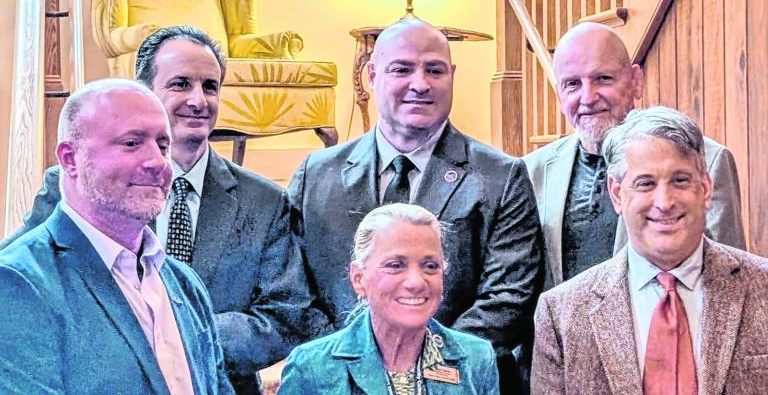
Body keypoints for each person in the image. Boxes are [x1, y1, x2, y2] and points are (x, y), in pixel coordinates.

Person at [0, 26, 317, 393]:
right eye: (132, 142)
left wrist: (184, 331)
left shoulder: (186, 280)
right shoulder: (36, 252)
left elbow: (288, 316)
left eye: (210, 86)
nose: (198, 100)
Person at [288, 17, 544, 393]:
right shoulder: (316, 174)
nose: (420, 84)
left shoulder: (501, 177)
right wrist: (346, 363)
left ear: (452, 75)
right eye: (402, 69)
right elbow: (293, 287)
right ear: (371, 76)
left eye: (434, 70)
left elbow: (508, 300)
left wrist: (433, 366)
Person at [0, 79, 234, 393]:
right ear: (70, 159)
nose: (158, 163)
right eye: (131, 143)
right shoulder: (19, 283)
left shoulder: (185, 284)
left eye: (163, 145)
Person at [530, 106, 768, 395]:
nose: (664, 202)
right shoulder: (561, 314)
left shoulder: (762, 289)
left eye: (680, 180)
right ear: (617, 193)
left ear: (705, 187)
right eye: (646, 184)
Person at [523, 22, 745, 288]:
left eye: (603, 78)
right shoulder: (530, 171)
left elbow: (730, 280)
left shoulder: (707, 160)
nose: (588, 97)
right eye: (572, 84)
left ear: (635, 82)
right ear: (559, 95)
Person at [279, 203, 500, 394]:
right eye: (395, 265)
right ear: (358, 278)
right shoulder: (312, 367)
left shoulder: (476, 359)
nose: (415, 282)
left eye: (430, 266)